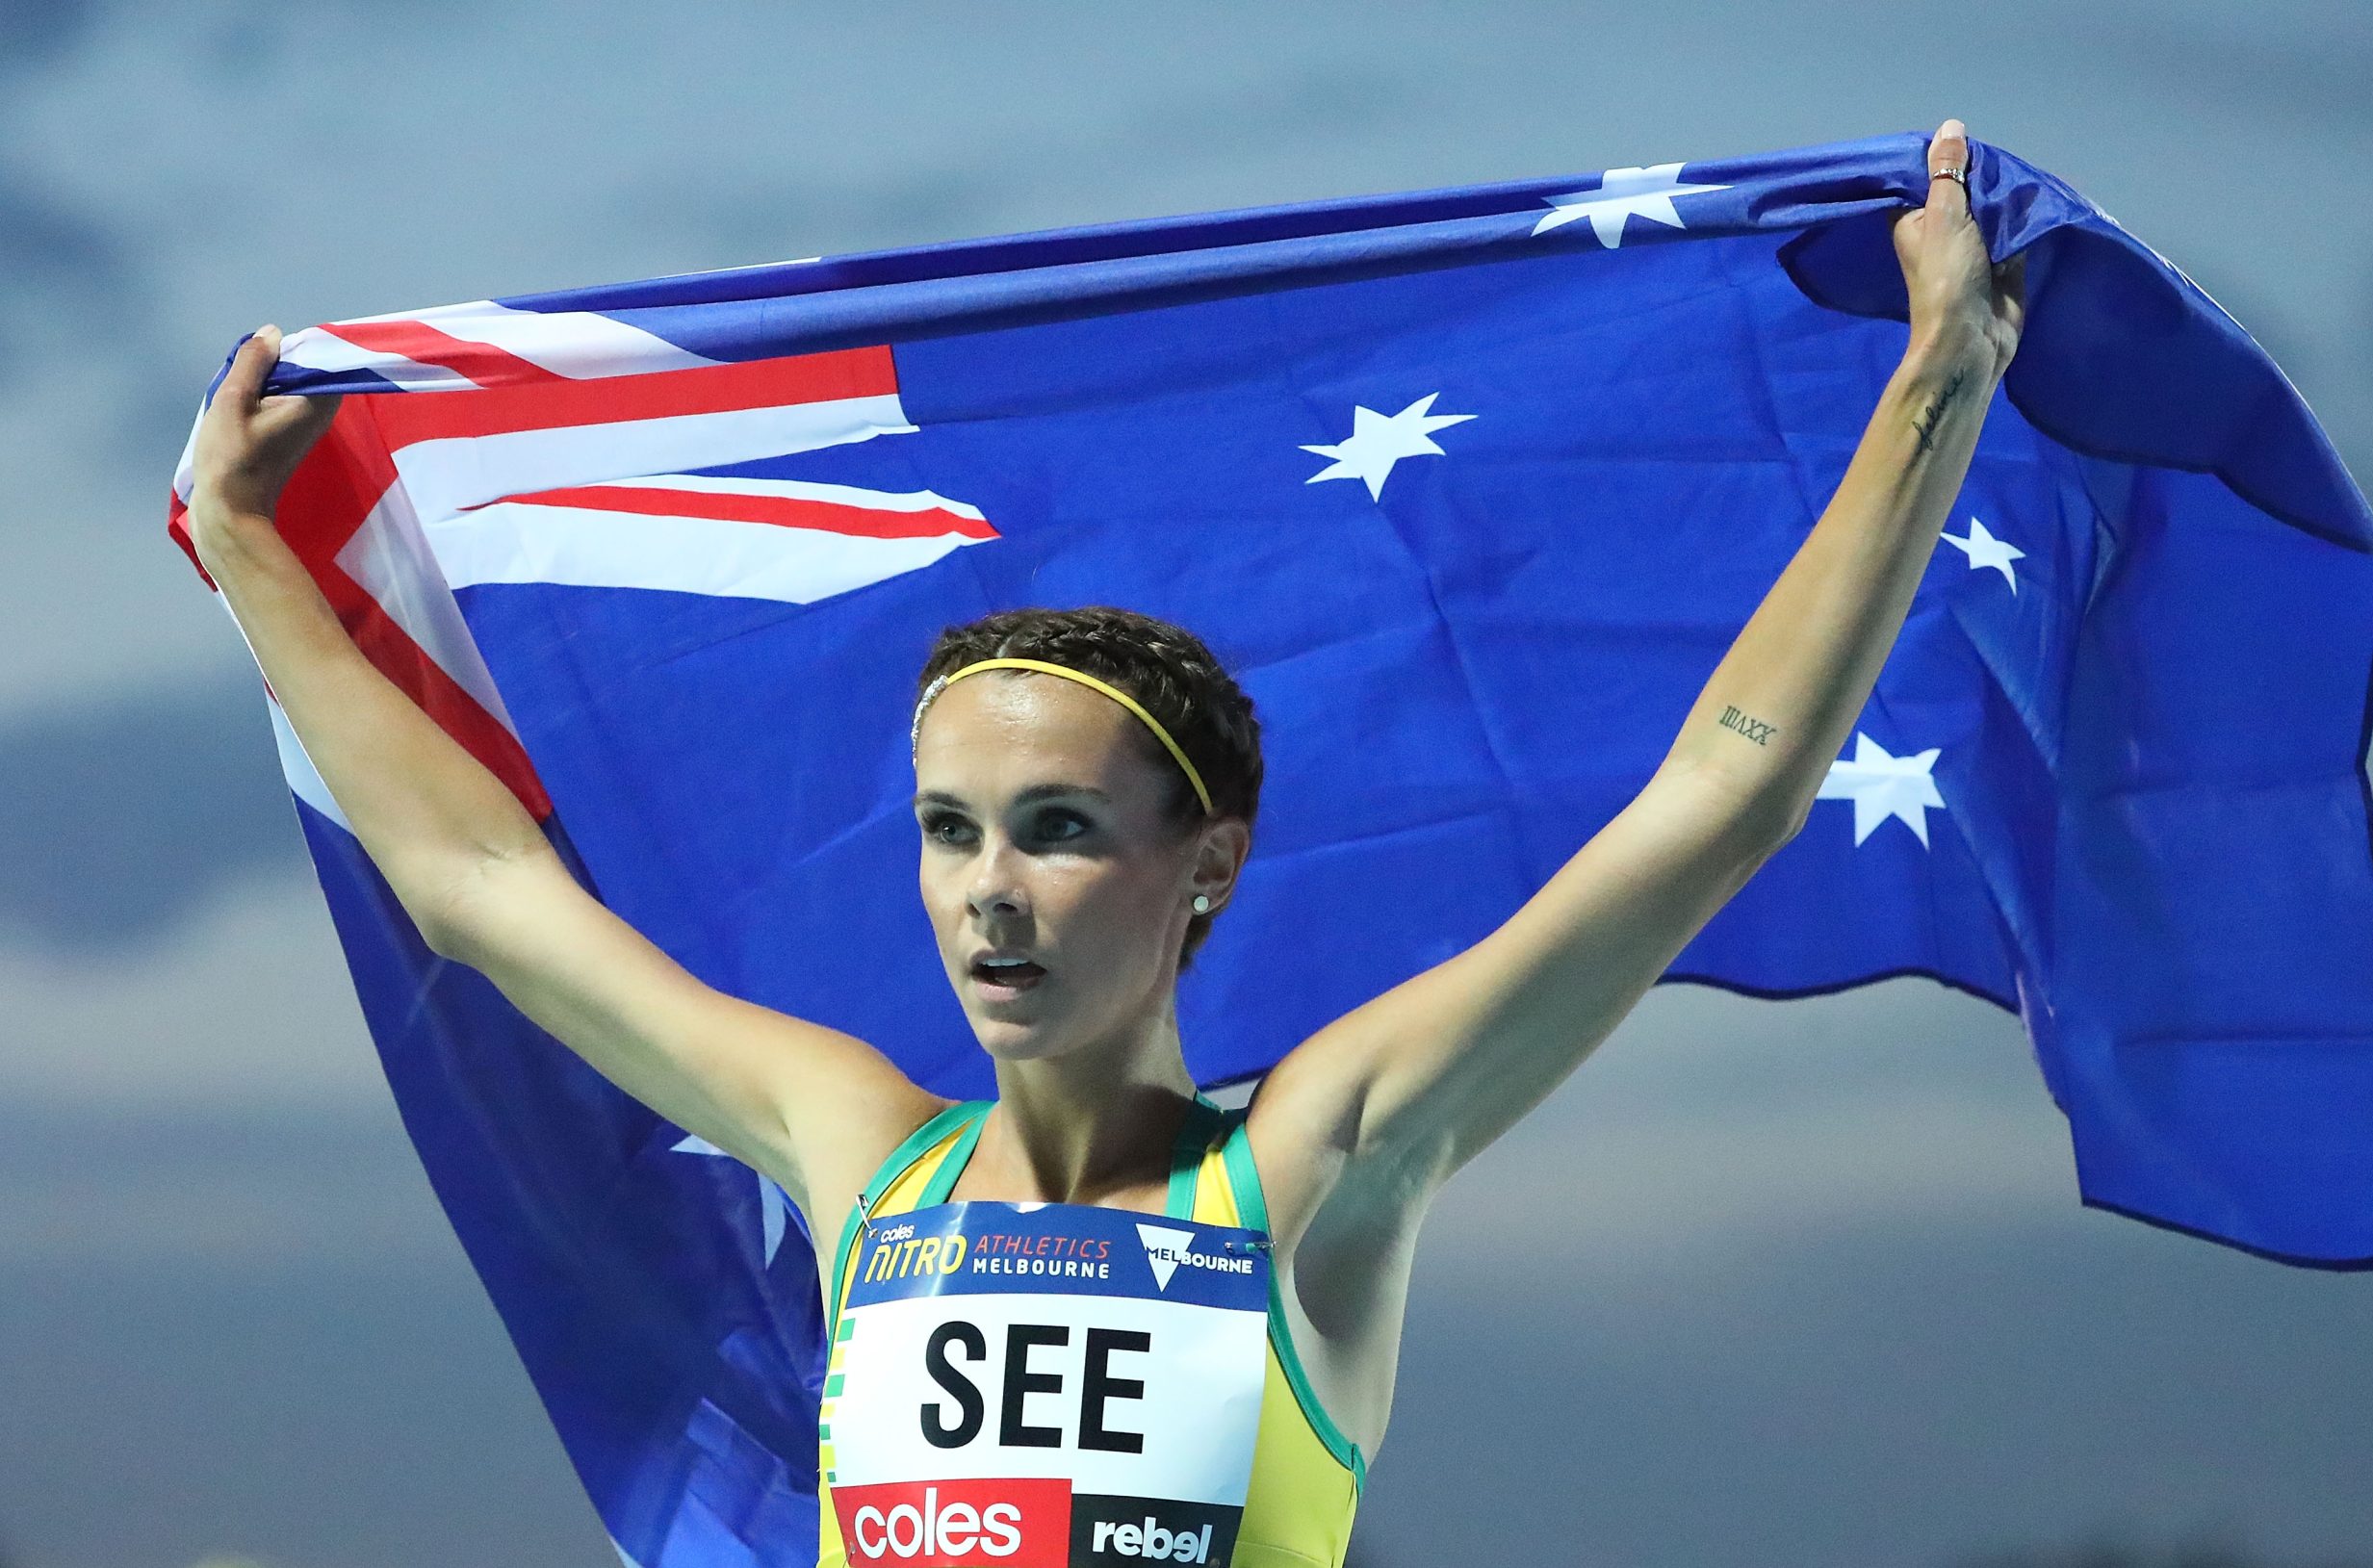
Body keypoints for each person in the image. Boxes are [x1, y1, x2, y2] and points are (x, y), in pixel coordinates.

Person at [185, 118, 2023, 1567]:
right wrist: (251, 550)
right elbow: (480, 886)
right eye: (950, 831)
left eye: (1057, 830)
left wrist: (1938, 379)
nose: (990, 889)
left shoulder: (1309, 1163)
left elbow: (1718, 799)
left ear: (1204, 864)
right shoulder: (856, 1153)